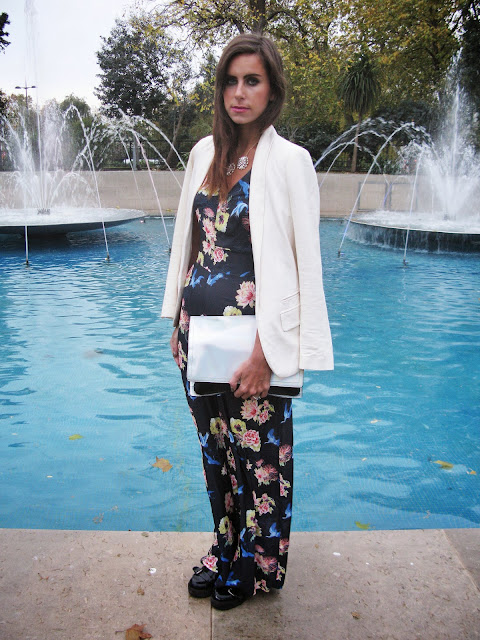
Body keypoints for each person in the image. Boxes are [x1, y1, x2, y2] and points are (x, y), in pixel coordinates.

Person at [161, 33, 333, 611]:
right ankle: (225, 546)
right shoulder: (204, 154)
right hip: (199, 336)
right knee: (215, 453)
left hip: (255, 343)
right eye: (230, 81)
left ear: (271, 90)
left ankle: (257, 567)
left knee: (260, 458)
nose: (239, 92)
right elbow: (189, 244)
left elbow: (303, 265)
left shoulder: (289, 161)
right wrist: (178, 319)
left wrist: (267, 354)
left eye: (252, 81)